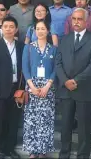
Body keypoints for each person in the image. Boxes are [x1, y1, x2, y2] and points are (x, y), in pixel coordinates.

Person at [56, 8, 91, 159]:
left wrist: (75, 80)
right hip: (66, 89)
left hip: (83, 89)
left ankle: (82, 155)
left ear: (86, 21)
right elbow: (58, 63)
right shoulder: (65, 39)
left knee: (83, 127)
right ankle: (64, 154)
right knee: (65, 126)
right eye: (74, 19)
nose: (76, 22)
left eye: (79, 19)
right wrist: (65, 81)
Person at [0, 16, 25, 159]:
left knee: (13, 120)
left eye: (11, 27)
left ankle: (10, 149)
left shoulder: (21, 46)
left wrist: (22, 88)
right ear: (1, 29)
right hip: (0, 89)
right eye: (6, 26)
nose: (9, 29)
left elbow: (24, 68)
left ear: (16, 29)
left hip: (16, 88)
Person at [22, 20, 58, 158]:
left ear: (48, 31)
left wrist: (48, 86)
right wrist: (32, 86)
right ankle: (32, 150)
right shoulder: (29, 48)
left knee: (45, 120)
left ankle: (43, 150)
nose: (40, 31)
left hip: (48, 87)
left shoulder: (53, 49)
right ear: (34, 31)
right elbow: (25, 68)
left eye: (43, 28)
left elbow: (55, 68)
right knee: (32, 119)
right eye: (38, 29)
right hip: (32, 86)